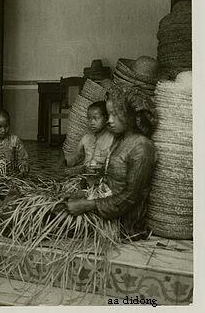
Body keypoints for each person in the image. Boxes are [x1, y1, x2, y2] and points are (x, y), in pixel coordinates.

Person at [61, 84, 158, 238]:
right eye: (108, 114)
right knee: (59, 207)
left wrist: (88, 205)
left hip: (122, 222)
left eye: (115, 114)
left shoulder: (142, 146)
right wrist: (87, 191)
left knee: (58, 221)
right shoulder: (120, 139)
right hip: (104, 204)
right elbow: (110, 179)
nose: (109, 120)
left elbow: (130, 197)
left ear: (130, 115)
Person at [63, 101, 114, 173]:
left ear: (106, 118)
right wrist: (64, 162)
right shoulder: (86, 138)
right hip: (86, 177)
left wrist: (101, 169)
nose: (92, 122)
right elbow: (75, 157)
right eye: (89, 118)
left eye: (96, 118)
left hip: (104, 179)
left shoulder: (113, 139)